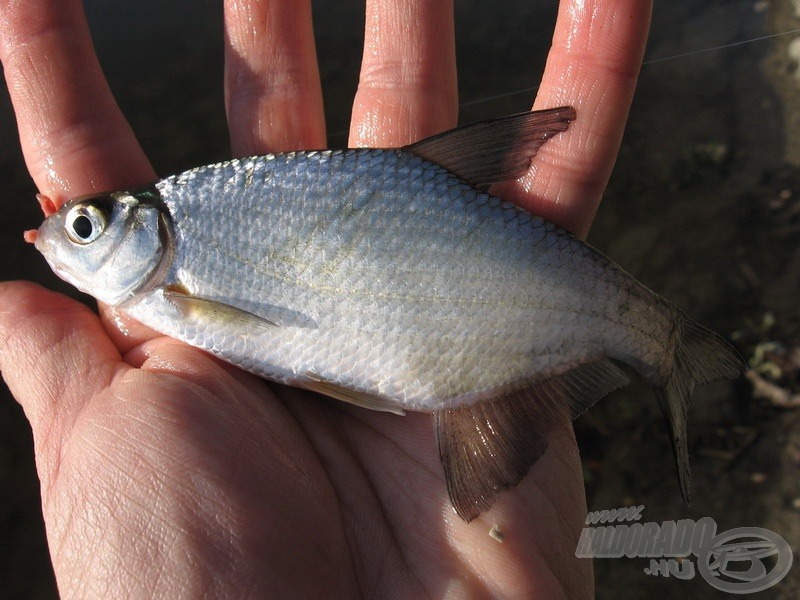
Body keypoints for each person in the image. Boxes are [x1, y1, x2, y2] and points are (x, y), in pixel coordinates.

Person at [0, 0, 651, 597]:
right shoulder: (169, 270)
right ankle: (651, 339)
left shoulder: (172, 266)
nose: (65, 235)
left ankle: (655, 342)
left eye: (87, 226)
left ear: (150, 231)